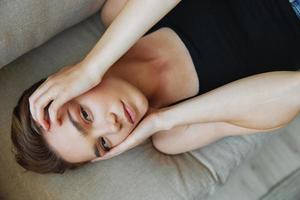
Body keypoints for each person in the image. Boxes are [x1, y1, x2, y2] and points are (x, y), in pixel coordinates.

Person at [11, 0, 300, 174]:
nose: (112, 127)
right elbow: (292, 92)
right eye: (103, 144)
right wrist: (164, 118)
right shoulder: (173, 133)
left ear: (67, 80)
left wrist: (93, 67)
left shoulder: (118, 13)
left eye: (86, 116)